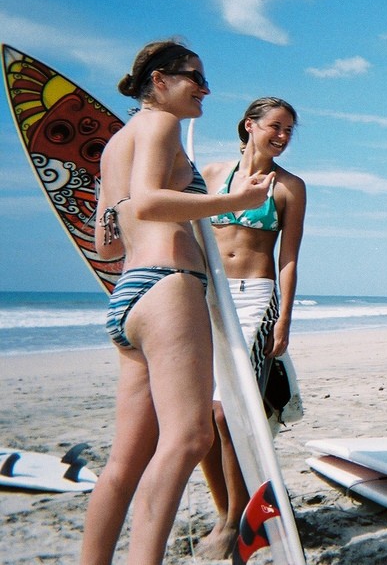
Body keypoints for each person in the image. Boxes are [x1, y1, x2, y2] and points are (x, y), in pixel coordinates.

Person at [83, 40, 274, 565]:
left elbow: (106, 243)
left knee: (125, 460)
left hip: (129, 295)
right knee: (188, 438)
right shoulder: (160, 123)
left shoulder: (115, 143)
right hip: (169, 284)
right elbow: (148, 201)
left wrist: (138, 211)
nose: (206, 89)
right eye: (195, 77)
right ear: (159, 81)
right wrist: (236, 201)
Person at [197, 97, 306, 558]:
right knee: (201, 415)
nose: (281, 137)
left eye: (288, 131)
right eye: (275, 127)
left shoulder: (290, 187)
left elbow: (289, 257)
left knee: (231, 414)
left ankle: (234, 519)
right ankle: (228, 512)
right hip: (207, 298)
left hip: (255, 301)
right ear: (250, 125)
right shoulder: (210, 175)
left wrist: (283, 317)